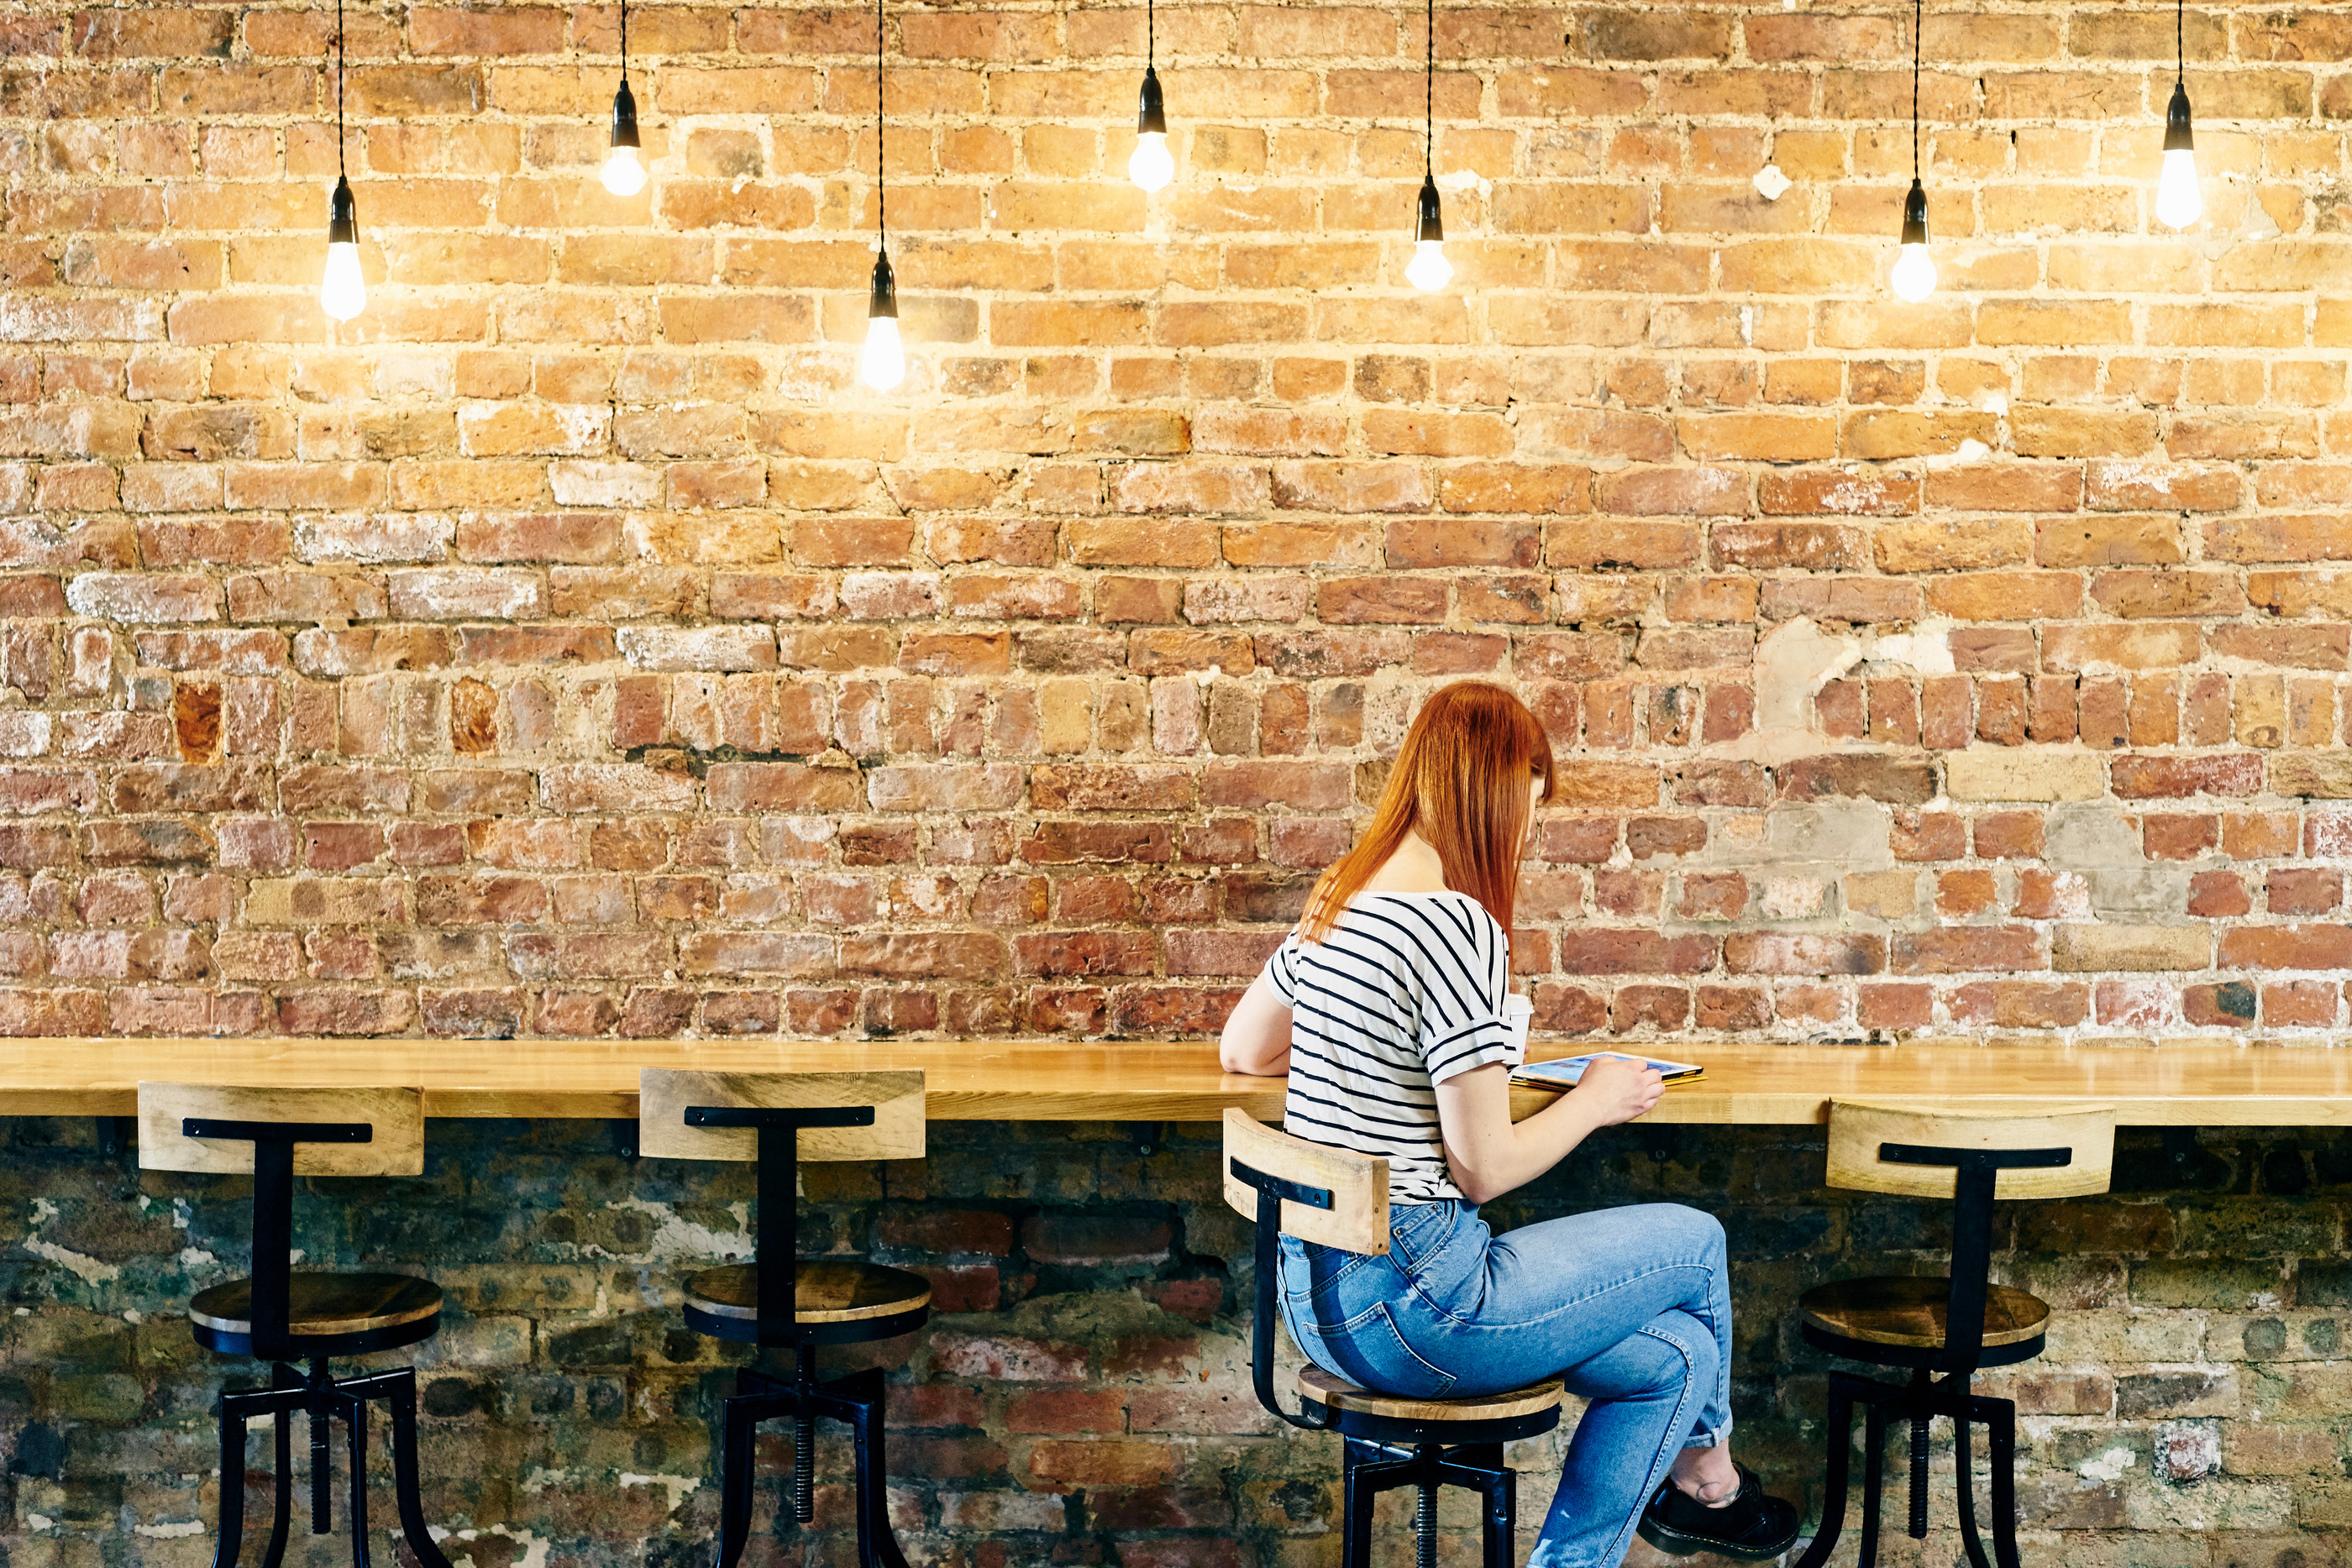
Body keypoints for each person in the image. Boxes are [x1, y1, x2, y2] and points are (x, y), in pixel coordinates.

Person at [1219, 681, 1800, 1566]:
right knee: (1695, 1240)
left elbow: (1244, 1050)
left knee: (1677, 1357)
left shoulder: (1341, 896)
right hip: (1423, 1304)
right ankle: (1712, 1476)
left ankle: (1680, 1497)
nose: (1525, 836)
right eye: (1528, 811)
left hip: (1316, 1299)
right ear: (1493, 794)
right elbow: (1483, 1168)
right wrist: (1595, 1098)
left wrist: (1380, 1053)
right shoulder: (1453, 924)